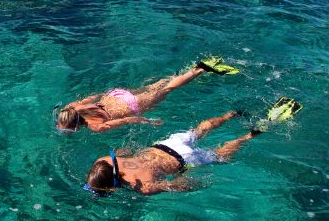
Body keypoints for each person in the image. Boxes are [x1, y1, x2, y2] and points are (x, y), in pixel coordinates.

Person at [81, 97, 302, 196]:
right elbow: (125, 151)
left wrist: (193, 183)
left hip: (183, 161)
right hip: (166, 145)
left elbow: (179, 186)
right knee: (199, 130)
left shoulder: (144, 188)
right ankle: (232, 113)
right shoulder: (105, 160)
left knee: (219, 155)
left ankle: (252, 134)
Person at [55, 57, 240, 133]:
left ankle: (199, 70)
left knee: (168, 90)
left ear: (76, 127)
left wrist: (149, 121)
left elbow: (126, 121)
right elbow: (94, 96)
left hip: (131, 106)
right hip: (116, 95)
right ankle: (183, 73)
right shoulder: (71, 107)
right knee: (155, 87)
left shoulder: (96, 127)